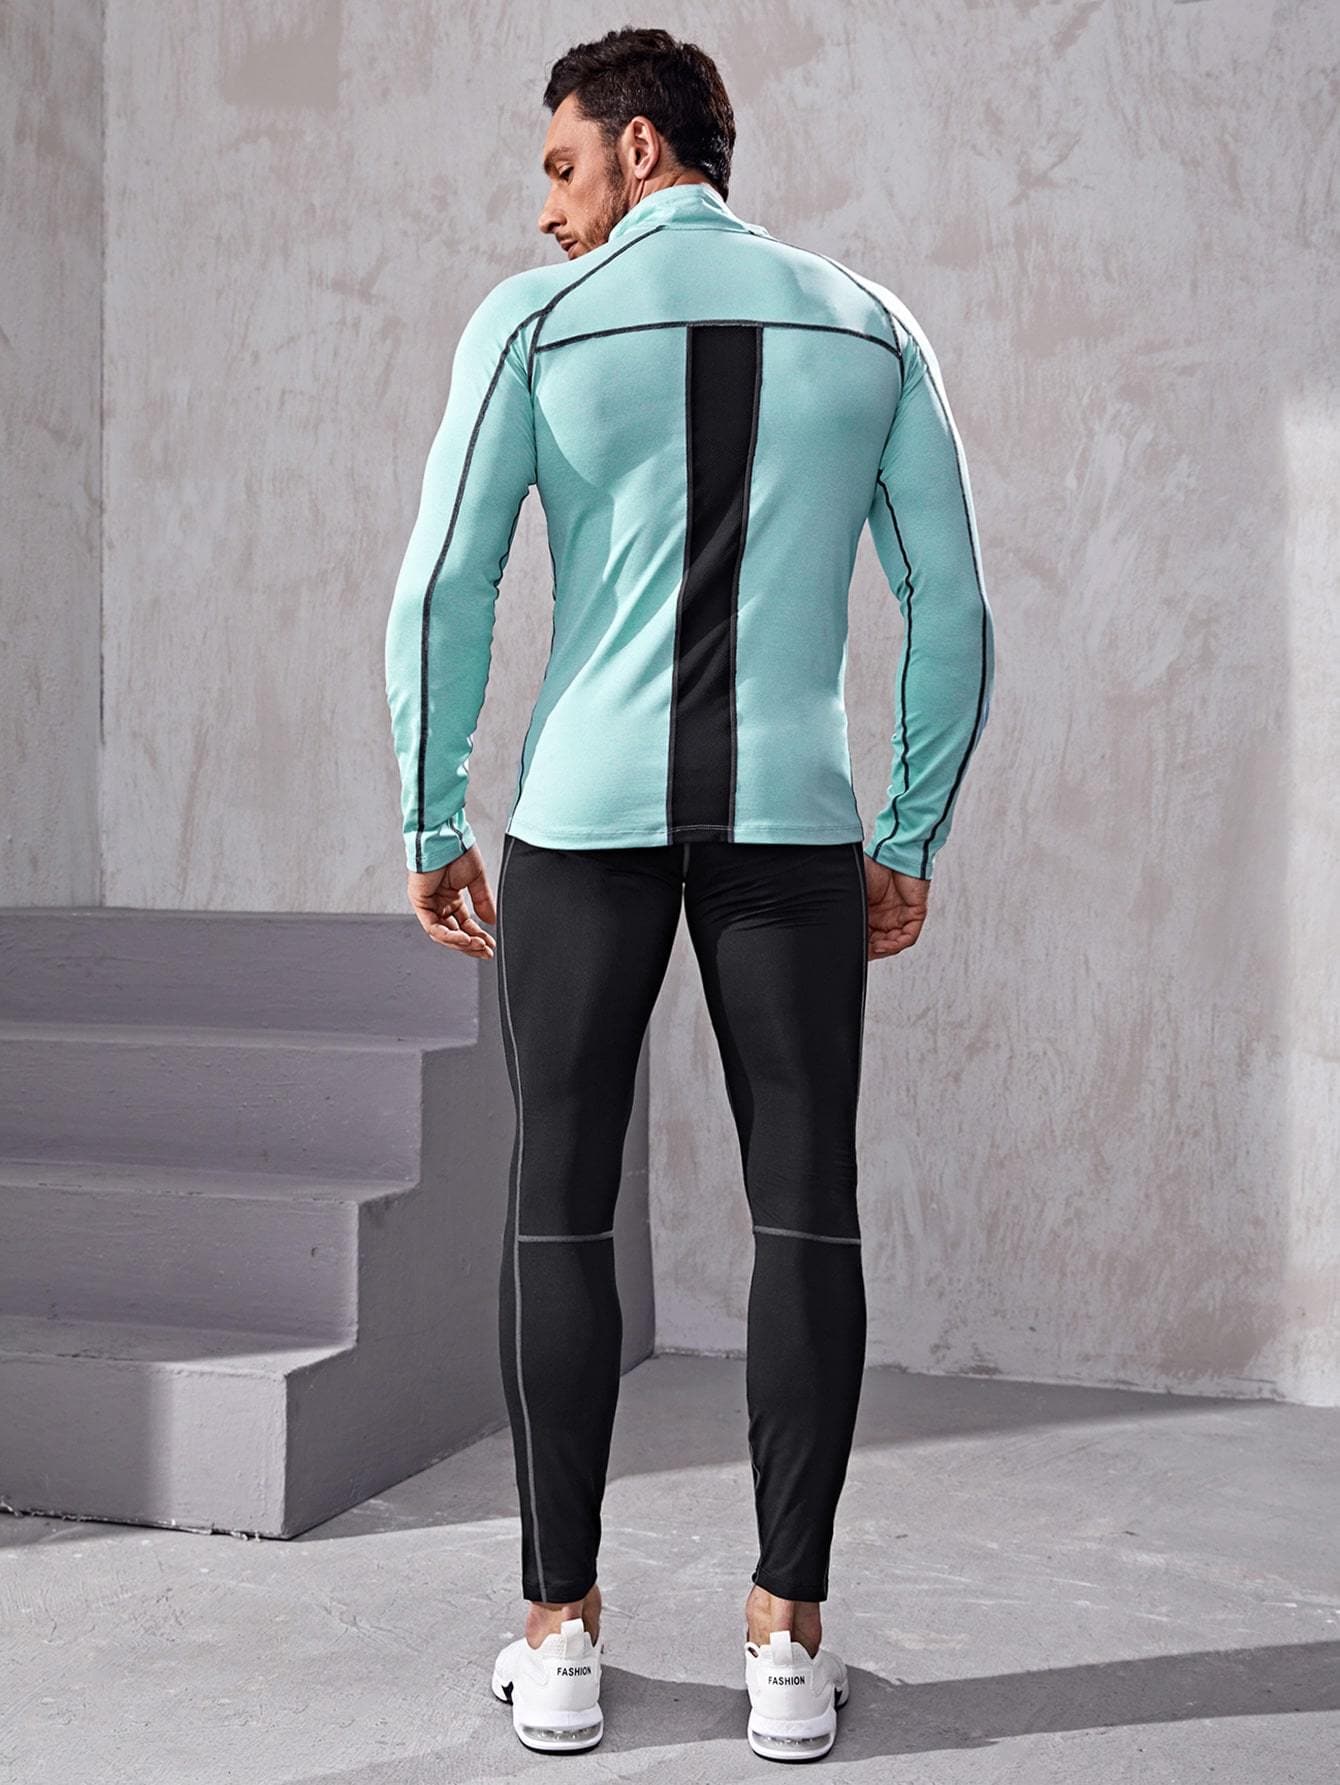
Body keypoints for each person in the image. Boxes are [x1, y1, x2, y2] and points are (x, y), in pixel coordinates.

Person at [384, 25, 995, 1761]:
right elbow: (952, 607)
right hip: (791, 829)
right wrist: (909, 832)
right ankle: (789, 1647)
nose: (548, 210)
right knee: (809, 1209)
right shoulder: (872, 326)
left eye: (562, 165)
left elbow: (442, 586)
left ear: (641, 147)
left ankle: (559, 1638)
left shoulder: (533, 325)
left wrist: (430, 810)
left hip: (582, 824)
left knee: (559, 1204)